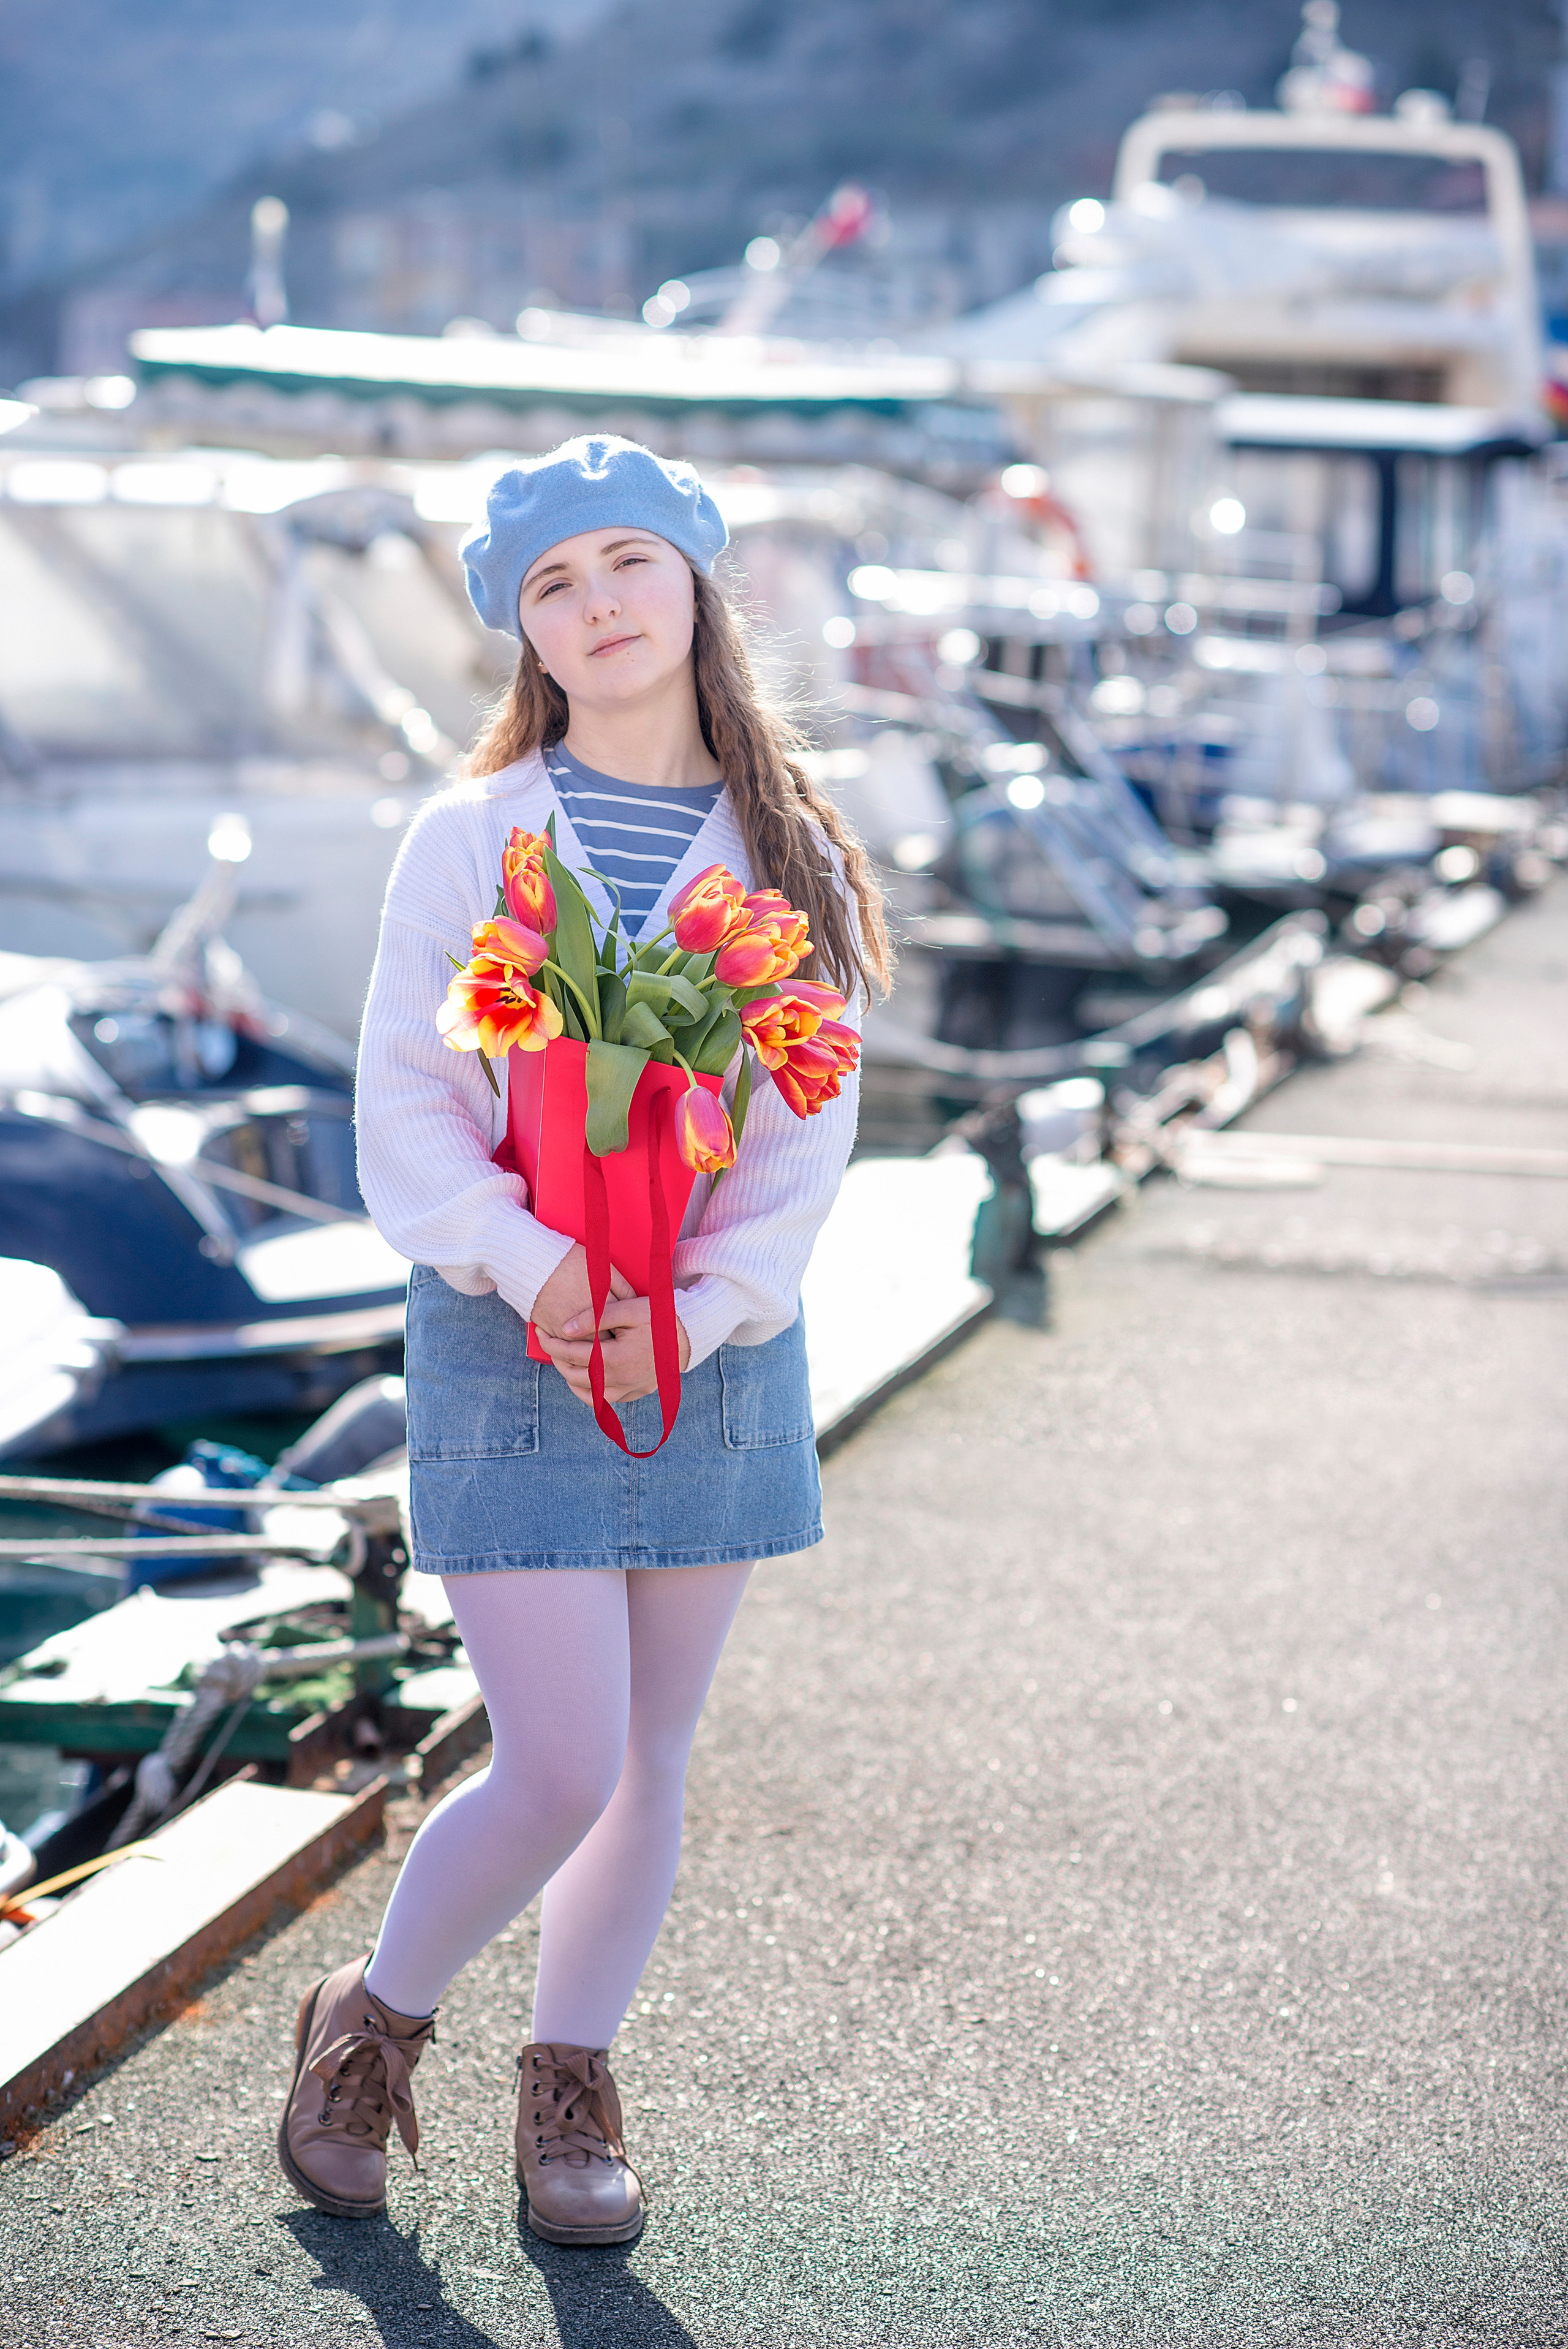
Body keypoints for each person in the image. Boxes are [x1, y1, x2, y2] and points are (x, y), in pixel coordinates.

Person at [276, 435, 890, 2245]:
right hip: (503, 1332)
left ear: (697, 585)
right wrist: (536, 1265)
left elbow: (801, 1147)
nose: (599, 602)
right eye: (555, 581)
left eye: (629, 561)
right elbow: (405, 1105)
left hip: (714, 1348)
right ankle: (369, 2028)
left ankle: (570, 2081)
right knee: (560, 1753)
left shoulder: (791, 860)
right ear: (522, 630)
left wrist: (692, 1313)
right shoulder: (471, 837)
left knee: (657, 1751)